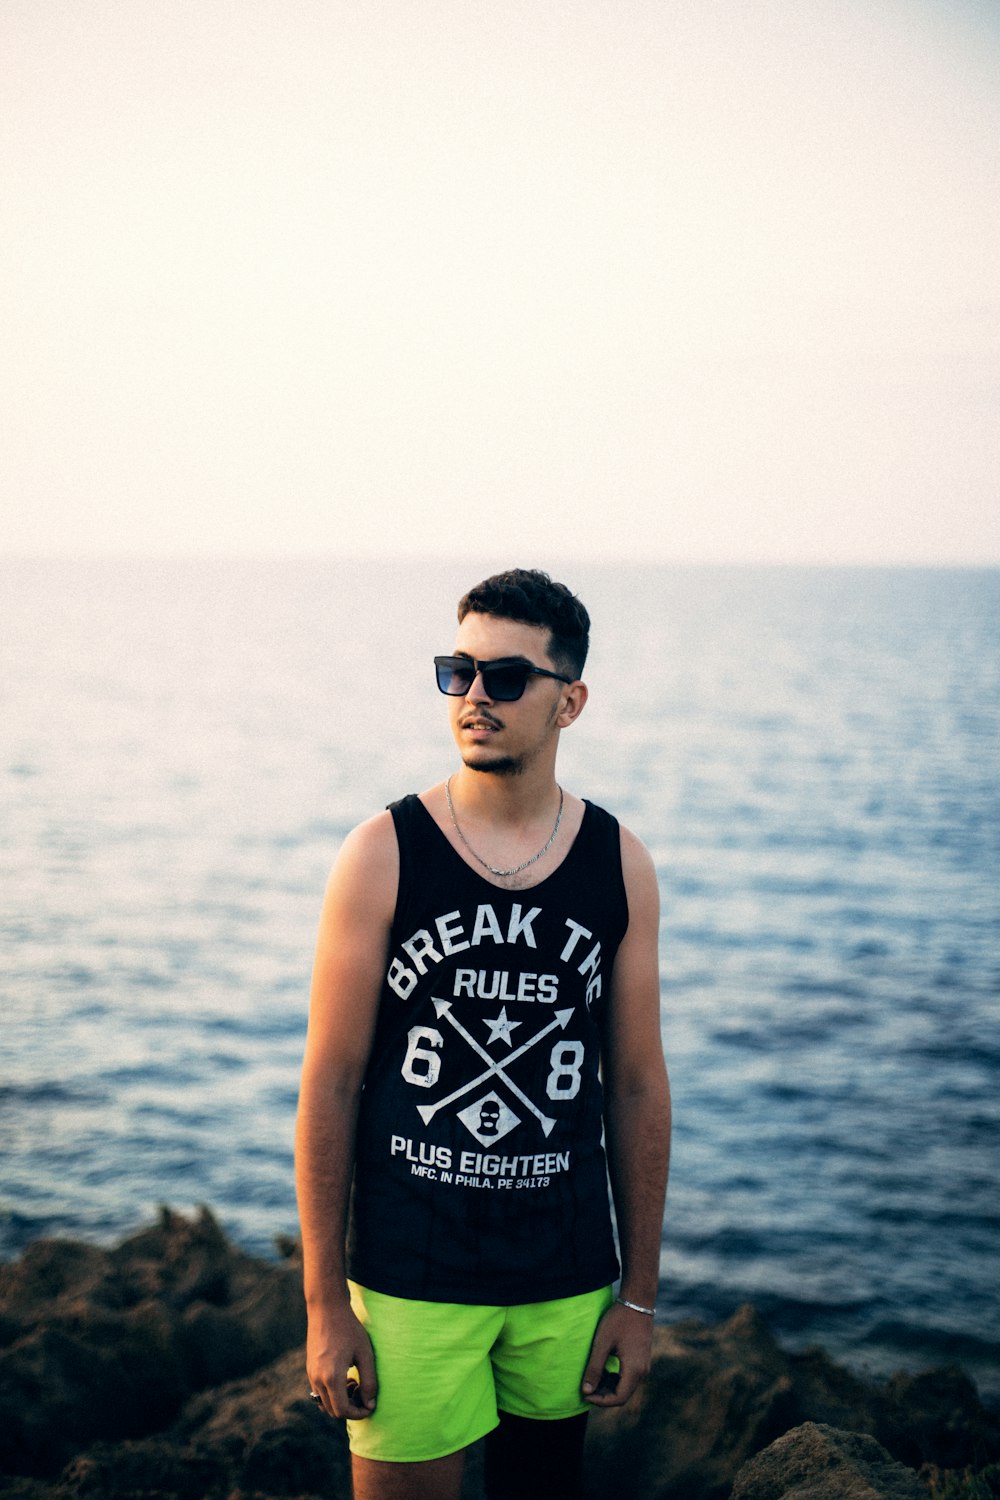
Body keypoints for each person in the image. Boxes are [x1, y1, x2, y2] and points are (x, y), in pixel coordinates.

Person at [296, 567, 671, 1500]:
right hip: (411, 1274)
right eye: (455, 671)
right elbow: (331, 1082)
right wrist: (324, 1303)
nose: (473, 696)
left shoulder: (618, 863)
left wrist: (637, 1296)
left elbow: (634, 1087)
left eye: (506, 678)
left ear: (569, 702)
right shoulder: (383, 853)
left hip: (567, 1277)